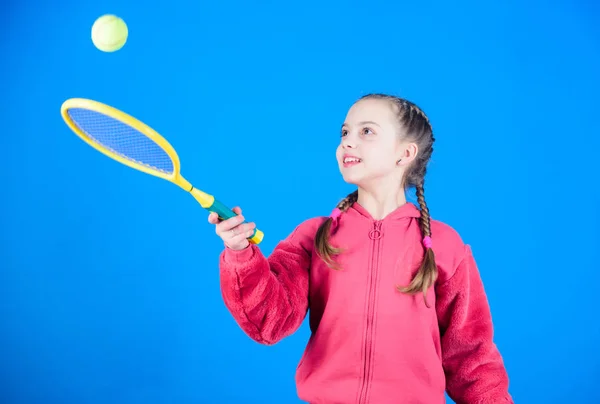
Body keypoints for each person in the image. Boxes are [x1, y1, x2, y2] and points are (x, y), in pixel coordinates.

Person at [208, 93, 513, 404]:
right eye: (344, 132)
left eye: (366, 131)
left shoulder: (444, 245)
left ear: (405, 153)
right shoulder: (314, 236)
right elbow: (269, 321)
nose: (347, 142)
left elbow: (472, 356)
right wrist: (241, 253)